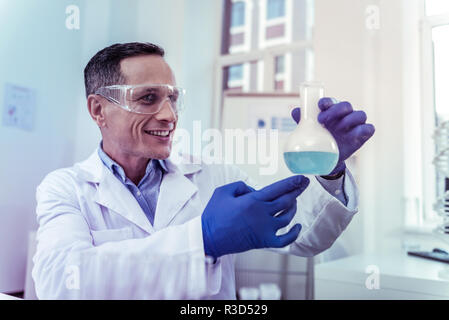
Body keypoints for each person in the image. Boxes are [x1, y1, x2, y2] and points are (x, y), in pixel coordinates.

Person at [32, 42, 375, 299]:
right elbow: (61, 282)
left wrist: (330, 170)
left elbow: (302, 236)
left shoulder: (214, 175)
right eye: (148, 98)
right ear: (98, 109)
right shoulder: (66, 188)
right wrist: (202, 240)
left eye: (173, 98)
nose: (169, 115)